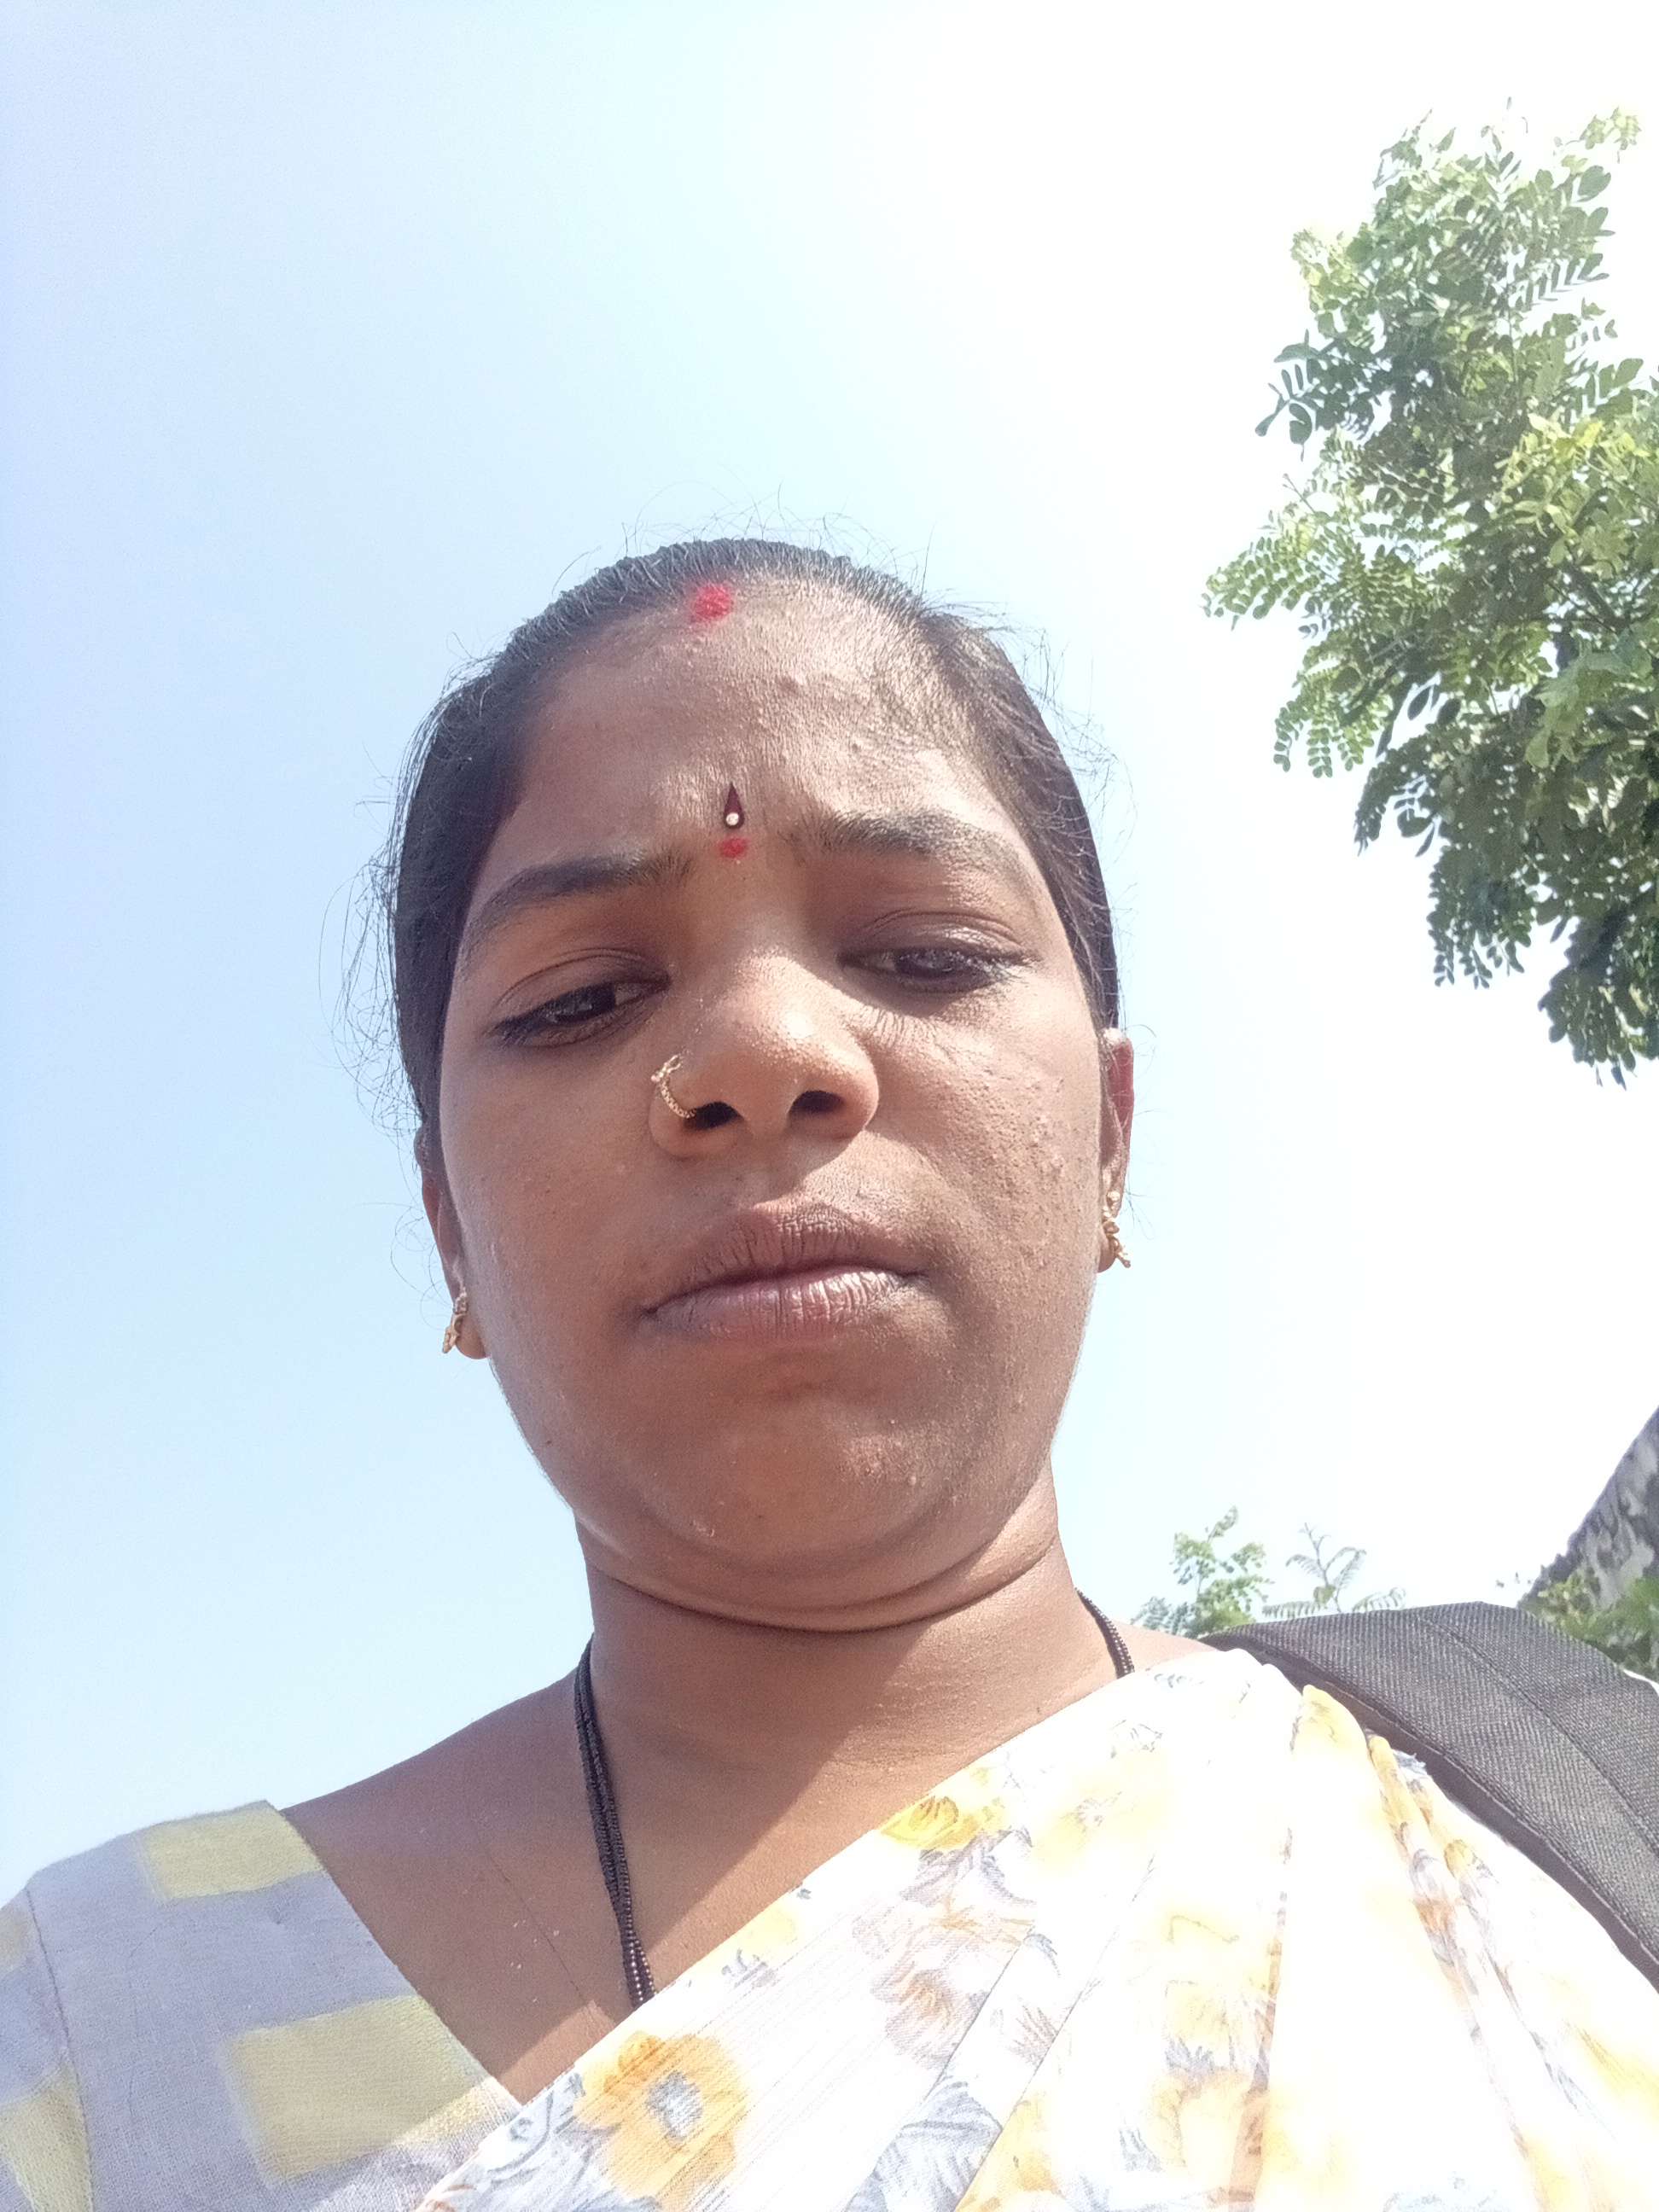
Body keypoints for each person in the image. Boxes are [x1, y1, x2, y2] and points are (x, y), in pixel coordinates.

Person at [3, 538, 1656, 2211]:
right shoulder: (103, 2038)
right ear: (451, 1235)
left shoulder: (1561, 1833)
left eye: (923, 953)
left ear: (1110, 1136)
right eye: (584, 996)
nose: (765, 1052)